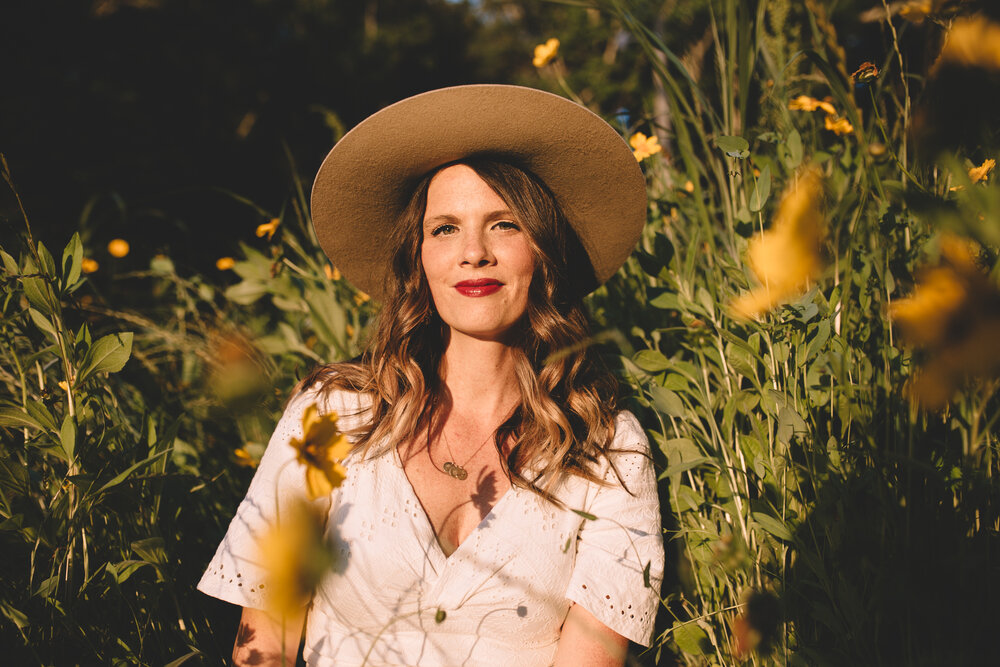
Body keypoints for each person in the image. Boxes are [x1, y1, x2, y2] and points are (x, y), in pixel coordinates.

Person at [198, 85, 664, 667]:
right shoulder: (334, 415)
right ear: (419, 259)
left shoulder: (607, 449)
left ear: (543, 253)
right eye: (445, 228)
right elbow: (265, 632)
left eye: (505, 224)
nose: (474, 252)